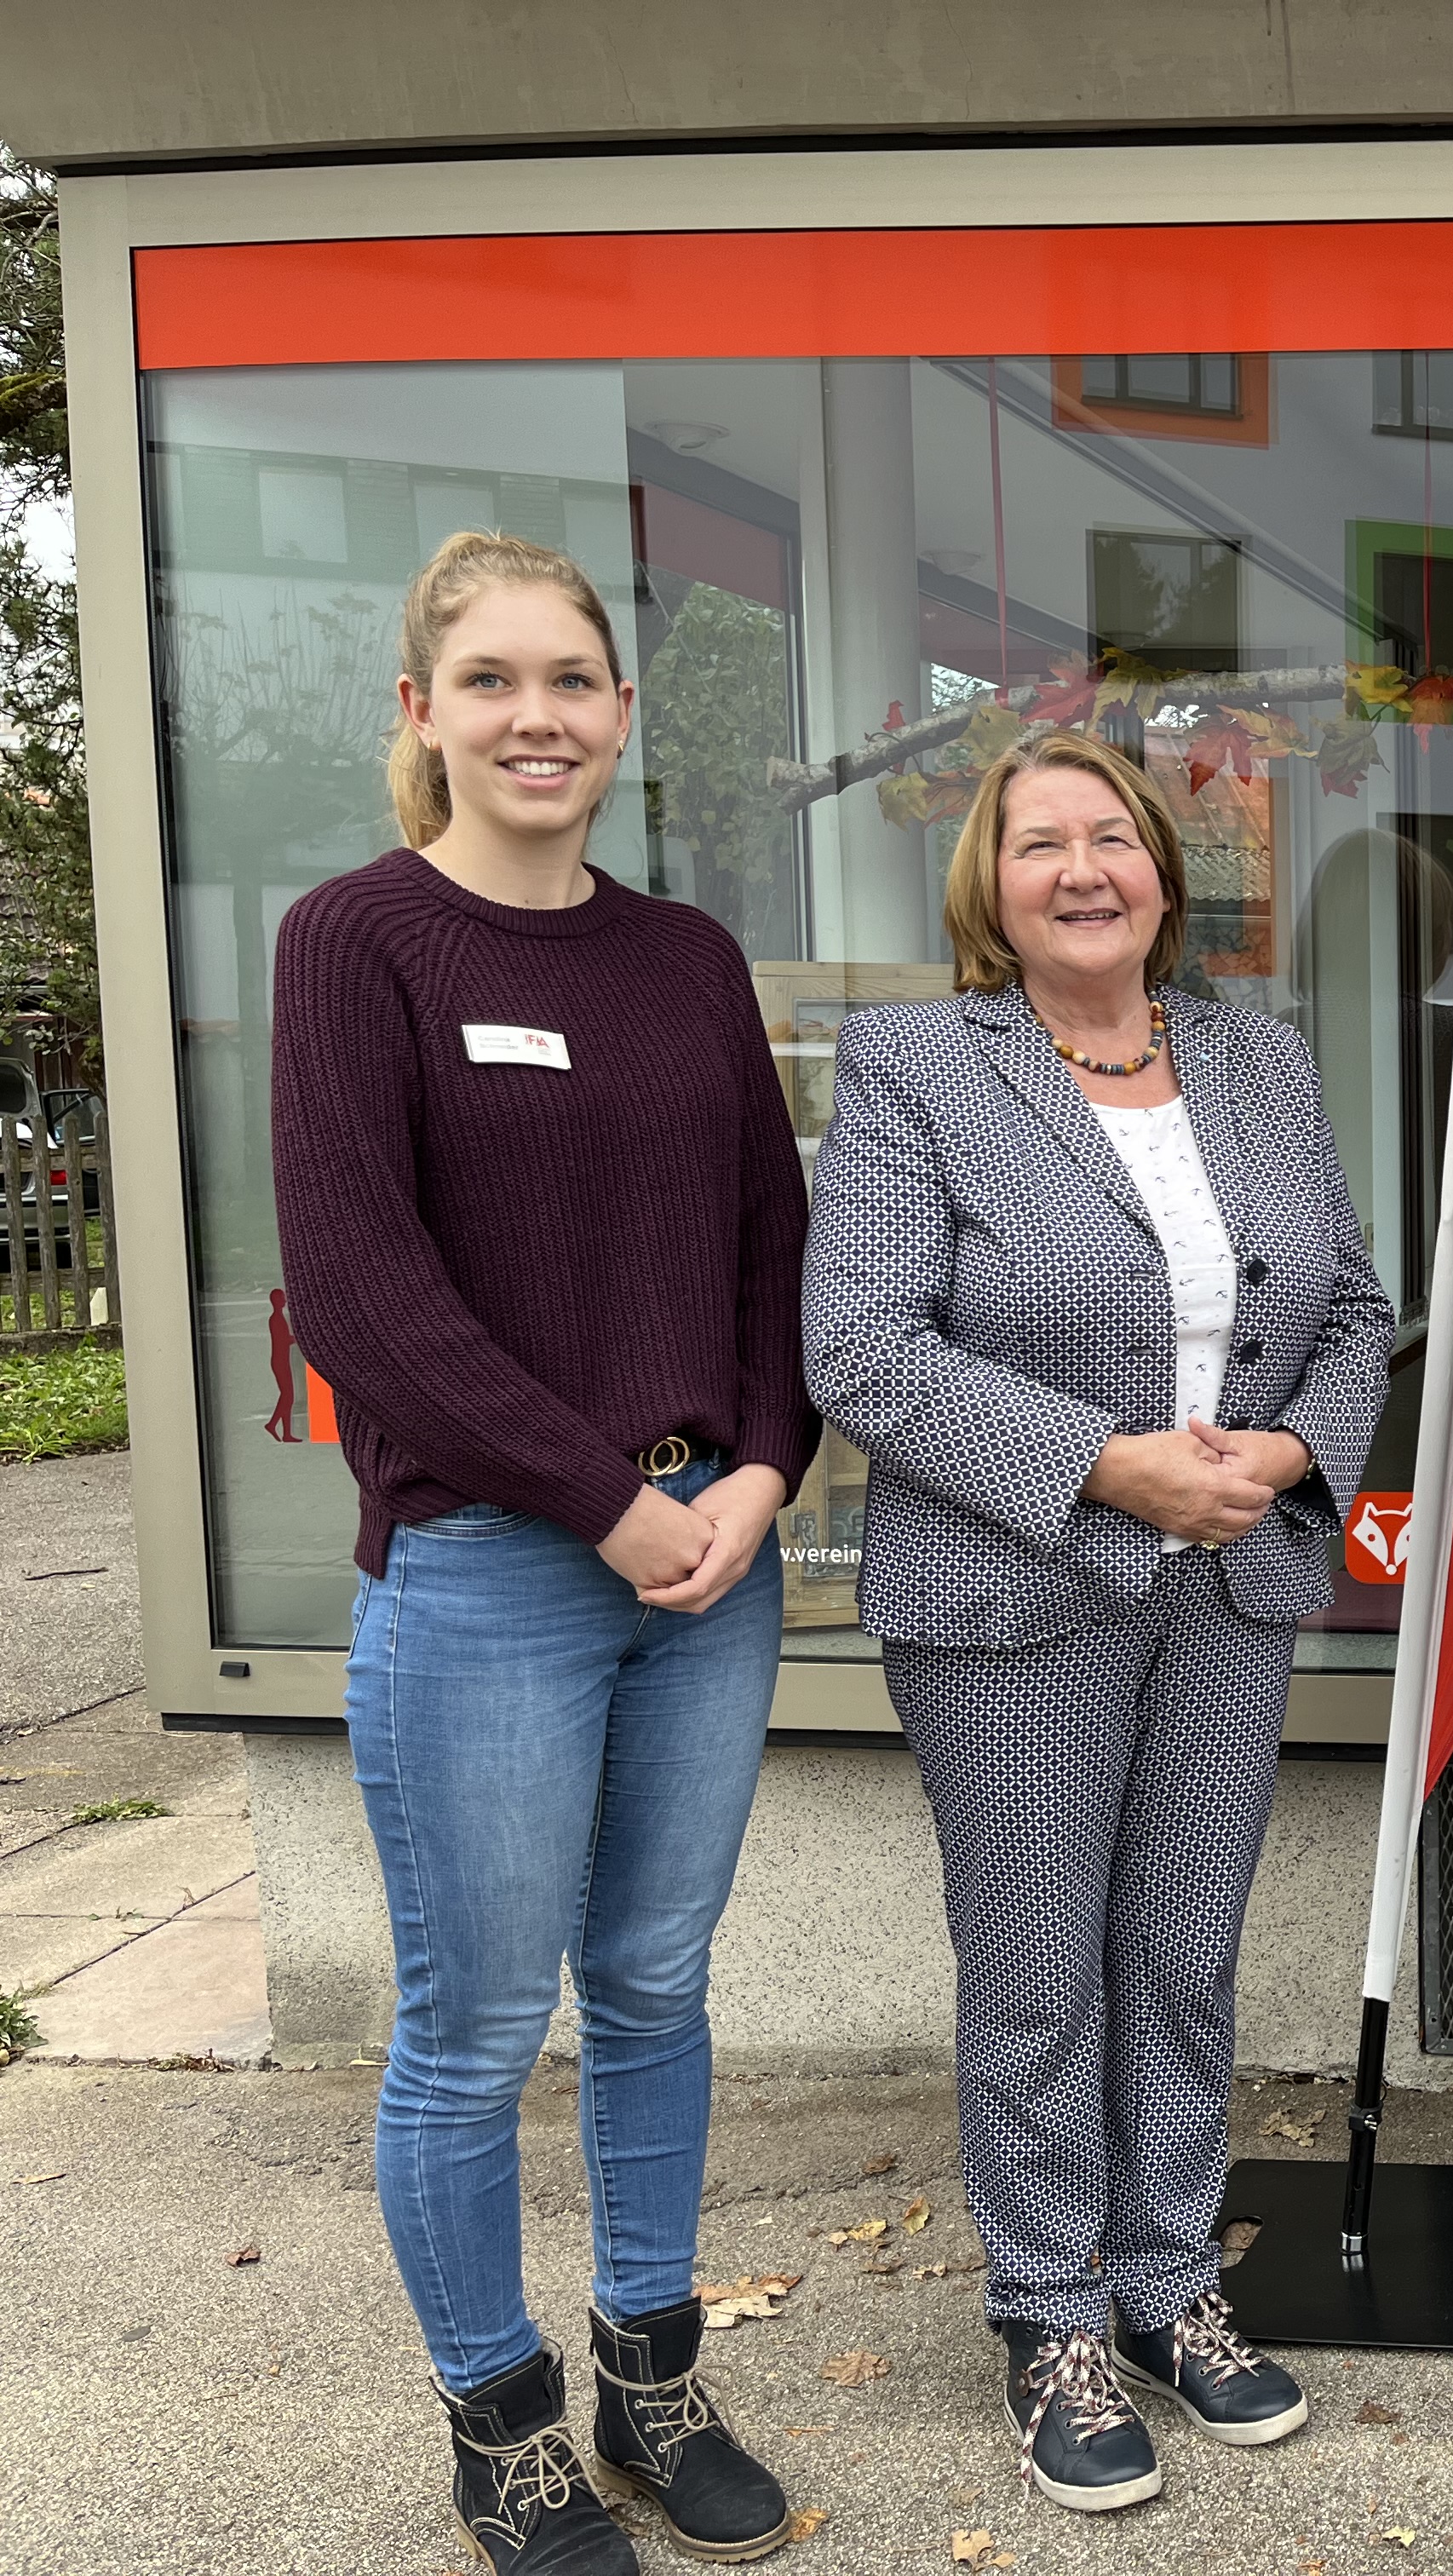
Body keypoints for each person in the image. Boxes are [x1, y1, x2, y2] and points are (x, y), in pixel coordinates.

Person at [271, 530, 818, 2574]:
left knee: (660, 1988)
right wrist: (610, 1499)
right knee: (479, 2026)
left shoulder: (685, 961)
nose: (537, 716)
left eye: (571, 680)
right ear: (422, 715)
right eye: (490, 680)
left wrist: (762, 1471)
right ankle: (500, 2428)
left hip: (715, 1563)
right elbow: (364, 1294)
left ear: (617, 717)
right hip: (499, 1563)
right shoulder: (359, 943)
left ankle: (652, 2384)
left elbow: (777, 1241)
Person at [802, 727, 1391, 2513]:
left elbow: (1359, 1307)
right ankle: (1049, 2307)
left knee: (1186, 1948)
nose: (1082, 868)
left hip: (1233, 1582)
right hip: (1016, 1586)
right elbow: (863, 1347)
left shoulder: (1255, 1056)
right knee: (1041, 1965)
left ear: (1161, 869)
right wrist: (1113, 1469)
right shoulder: (916, 1063)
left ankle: (1167, 2280)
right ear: (990, 881)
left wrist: (1285, 1449)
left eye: (1113, 838)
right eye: (1040, 841)